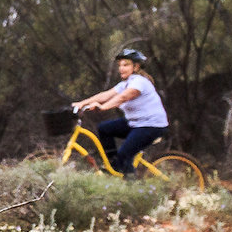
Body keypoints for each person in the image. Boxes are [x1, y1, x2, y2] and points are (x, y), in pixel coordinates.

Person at [72, 47, 170, 175]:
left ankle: (132, 188)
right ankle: (114, 166)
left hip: (151, 126)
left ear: (136, 67)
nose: (121, 68)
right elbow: (106, 95)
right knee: (104, 128)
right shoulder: (126, 83)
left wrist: (103, 107)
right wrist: (82, 103)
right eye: (120, 65)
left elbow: (123, 97)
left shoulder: (139, 82)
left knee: (124, 154)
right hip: (136, 123)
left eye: (126, 65)